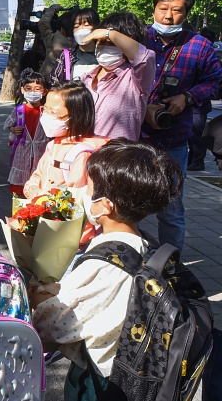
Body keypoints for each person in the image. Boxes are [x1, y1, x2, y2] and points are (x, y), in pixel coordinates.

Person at [30, 138, 182, 400]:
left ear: (106, 205)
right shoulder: (145, 246)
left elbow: (52, 327)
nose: (82, 193)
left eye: (88, 188)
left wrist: (37, 300)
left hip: (101, 382)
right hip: (131, 367)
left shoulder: (103, 264)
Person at [143, 0, 222, 250]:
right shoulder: (137, 38)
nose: (168, 16)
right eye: (163, 8)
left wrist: (186, 97)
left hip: (173, 139)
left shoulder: (199, 45)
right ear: (154, 8)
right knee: (125, 204)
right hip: (132, 137)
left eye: (176, 10)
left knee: (171, 210)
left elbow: (213, 81)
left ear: (186, 13)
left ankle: (171, 264)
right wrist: (143, 106)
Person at [23, 81, 109, 199]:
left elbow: (74, 198)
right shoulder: (53, 144)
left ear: (77, 116)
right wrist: (35, 192)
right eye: (45, 109)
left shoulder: (82, 153)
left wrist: (44, 199)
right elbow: (37, 176)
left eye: (53, 112)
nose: (46, 116)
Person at [80, 12, 156, 141]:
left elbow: (146, 57)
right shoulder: (85, 79)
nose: (105, 46)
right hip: (84, 151)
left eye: (112, 43)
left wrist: (110, 34)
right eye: (101, 41)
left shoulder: (136, 79)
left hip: (117, 153)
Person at [4, 69, 49, 198]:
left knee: (39, 181)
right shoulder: (19, 110)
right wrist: (13, 129)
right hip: (23, 151)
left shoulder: (46, 110)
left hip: (41, 152)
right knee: (20, 187)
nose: (32, 92)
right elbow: (8, 123)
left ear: (44, 91)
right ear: (22, 90)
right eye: (28, 88)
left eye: (37, 89)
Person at [188, 27, 217, 171]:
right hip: (194, 103)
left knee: (196, 135)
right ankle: (192, 160)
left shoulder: (206, 54)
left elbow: (212, 81)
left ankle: (198, 161)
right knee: (191, 135)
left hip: (198, 104)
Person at [50, 8, 100, 84]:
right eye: (76, 26)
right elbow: (55, 84)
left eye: (86, 25)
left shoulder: (106, 55)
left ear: (96, 28)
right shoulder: (67, 55)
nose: (81, 29)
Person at [38, 4, 77, 83]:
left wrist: (53, 8)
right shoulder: (84, 43)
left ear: (62, 30)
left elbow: (43, 24)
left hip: (49, 82)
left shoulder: (55, 40)